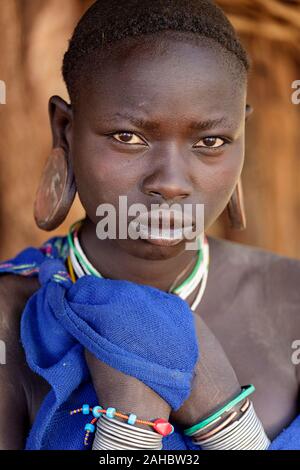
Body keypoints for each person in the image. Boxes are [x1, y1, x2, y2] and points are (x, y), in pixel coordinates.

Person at [0, 0, 299, 451]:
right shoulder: (10, 321)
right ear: (65, 130)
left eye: (211, 141)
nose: (171, 183)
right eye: (128, 137)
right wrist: (128, 429)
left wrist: (225, 424)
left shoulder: (292, 297)